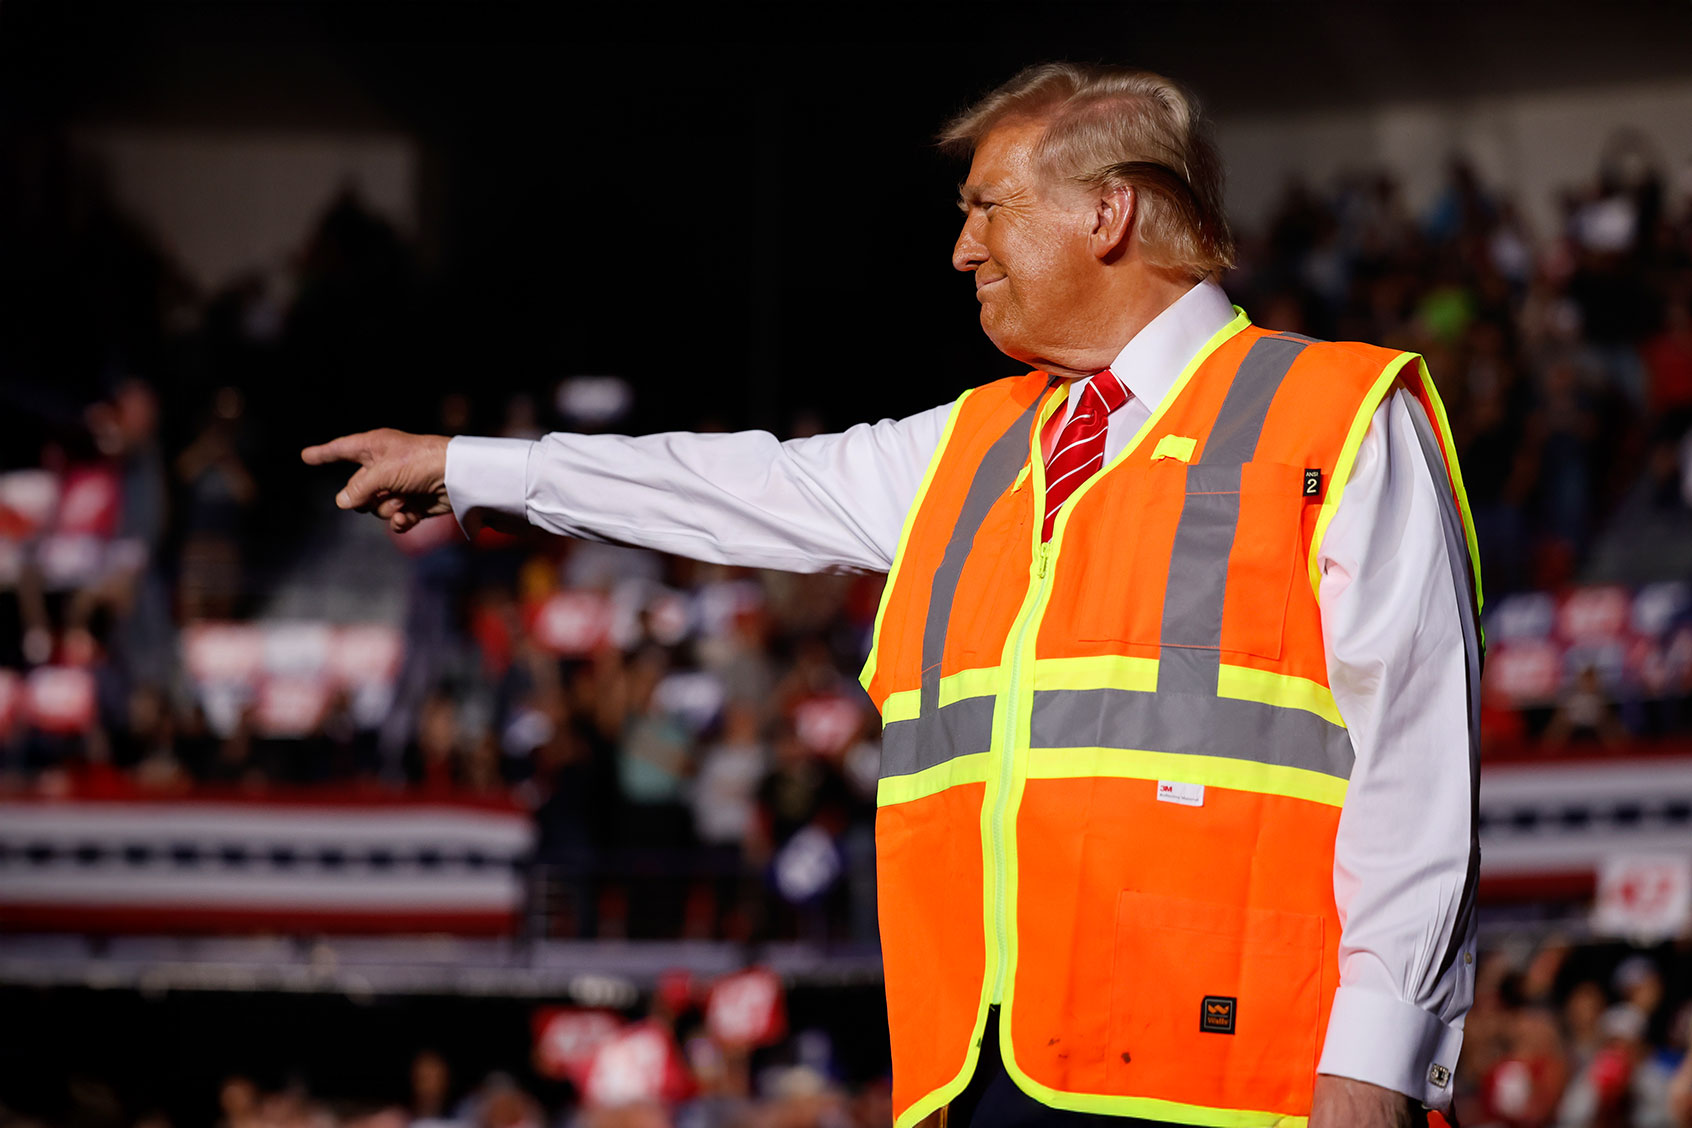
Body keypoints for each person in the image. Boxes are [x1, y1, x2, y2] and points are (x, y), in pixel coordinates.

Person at [303, 64, 1481, 1128]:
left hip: (1247, 1091)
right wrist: (470, 468)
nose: (962, 249)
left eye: (986, 207)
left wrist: (1375, 1063)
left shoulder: (1339, 419)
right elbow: (735, 483)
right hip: (982, 1080)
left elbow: (1418, 772)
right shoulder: (971, 443)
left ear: (1107, 213)